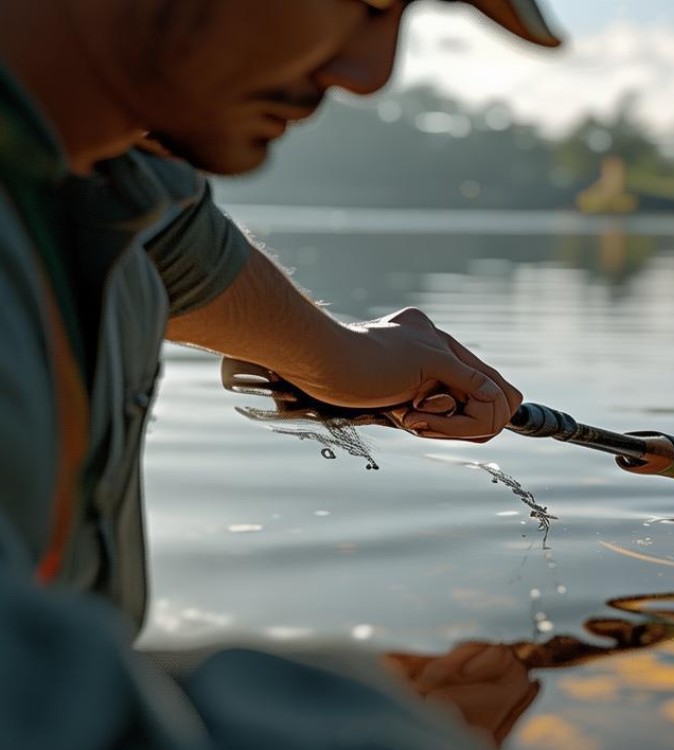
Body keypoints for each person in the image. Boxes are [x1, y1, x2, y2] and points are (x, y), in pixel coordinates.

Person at [0, 0, 560, 746]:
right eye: (367, 4)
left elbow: (175, 240)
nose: (369, 73)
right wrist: (377, 725)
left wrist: (340, 359)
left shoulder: (87, 172)